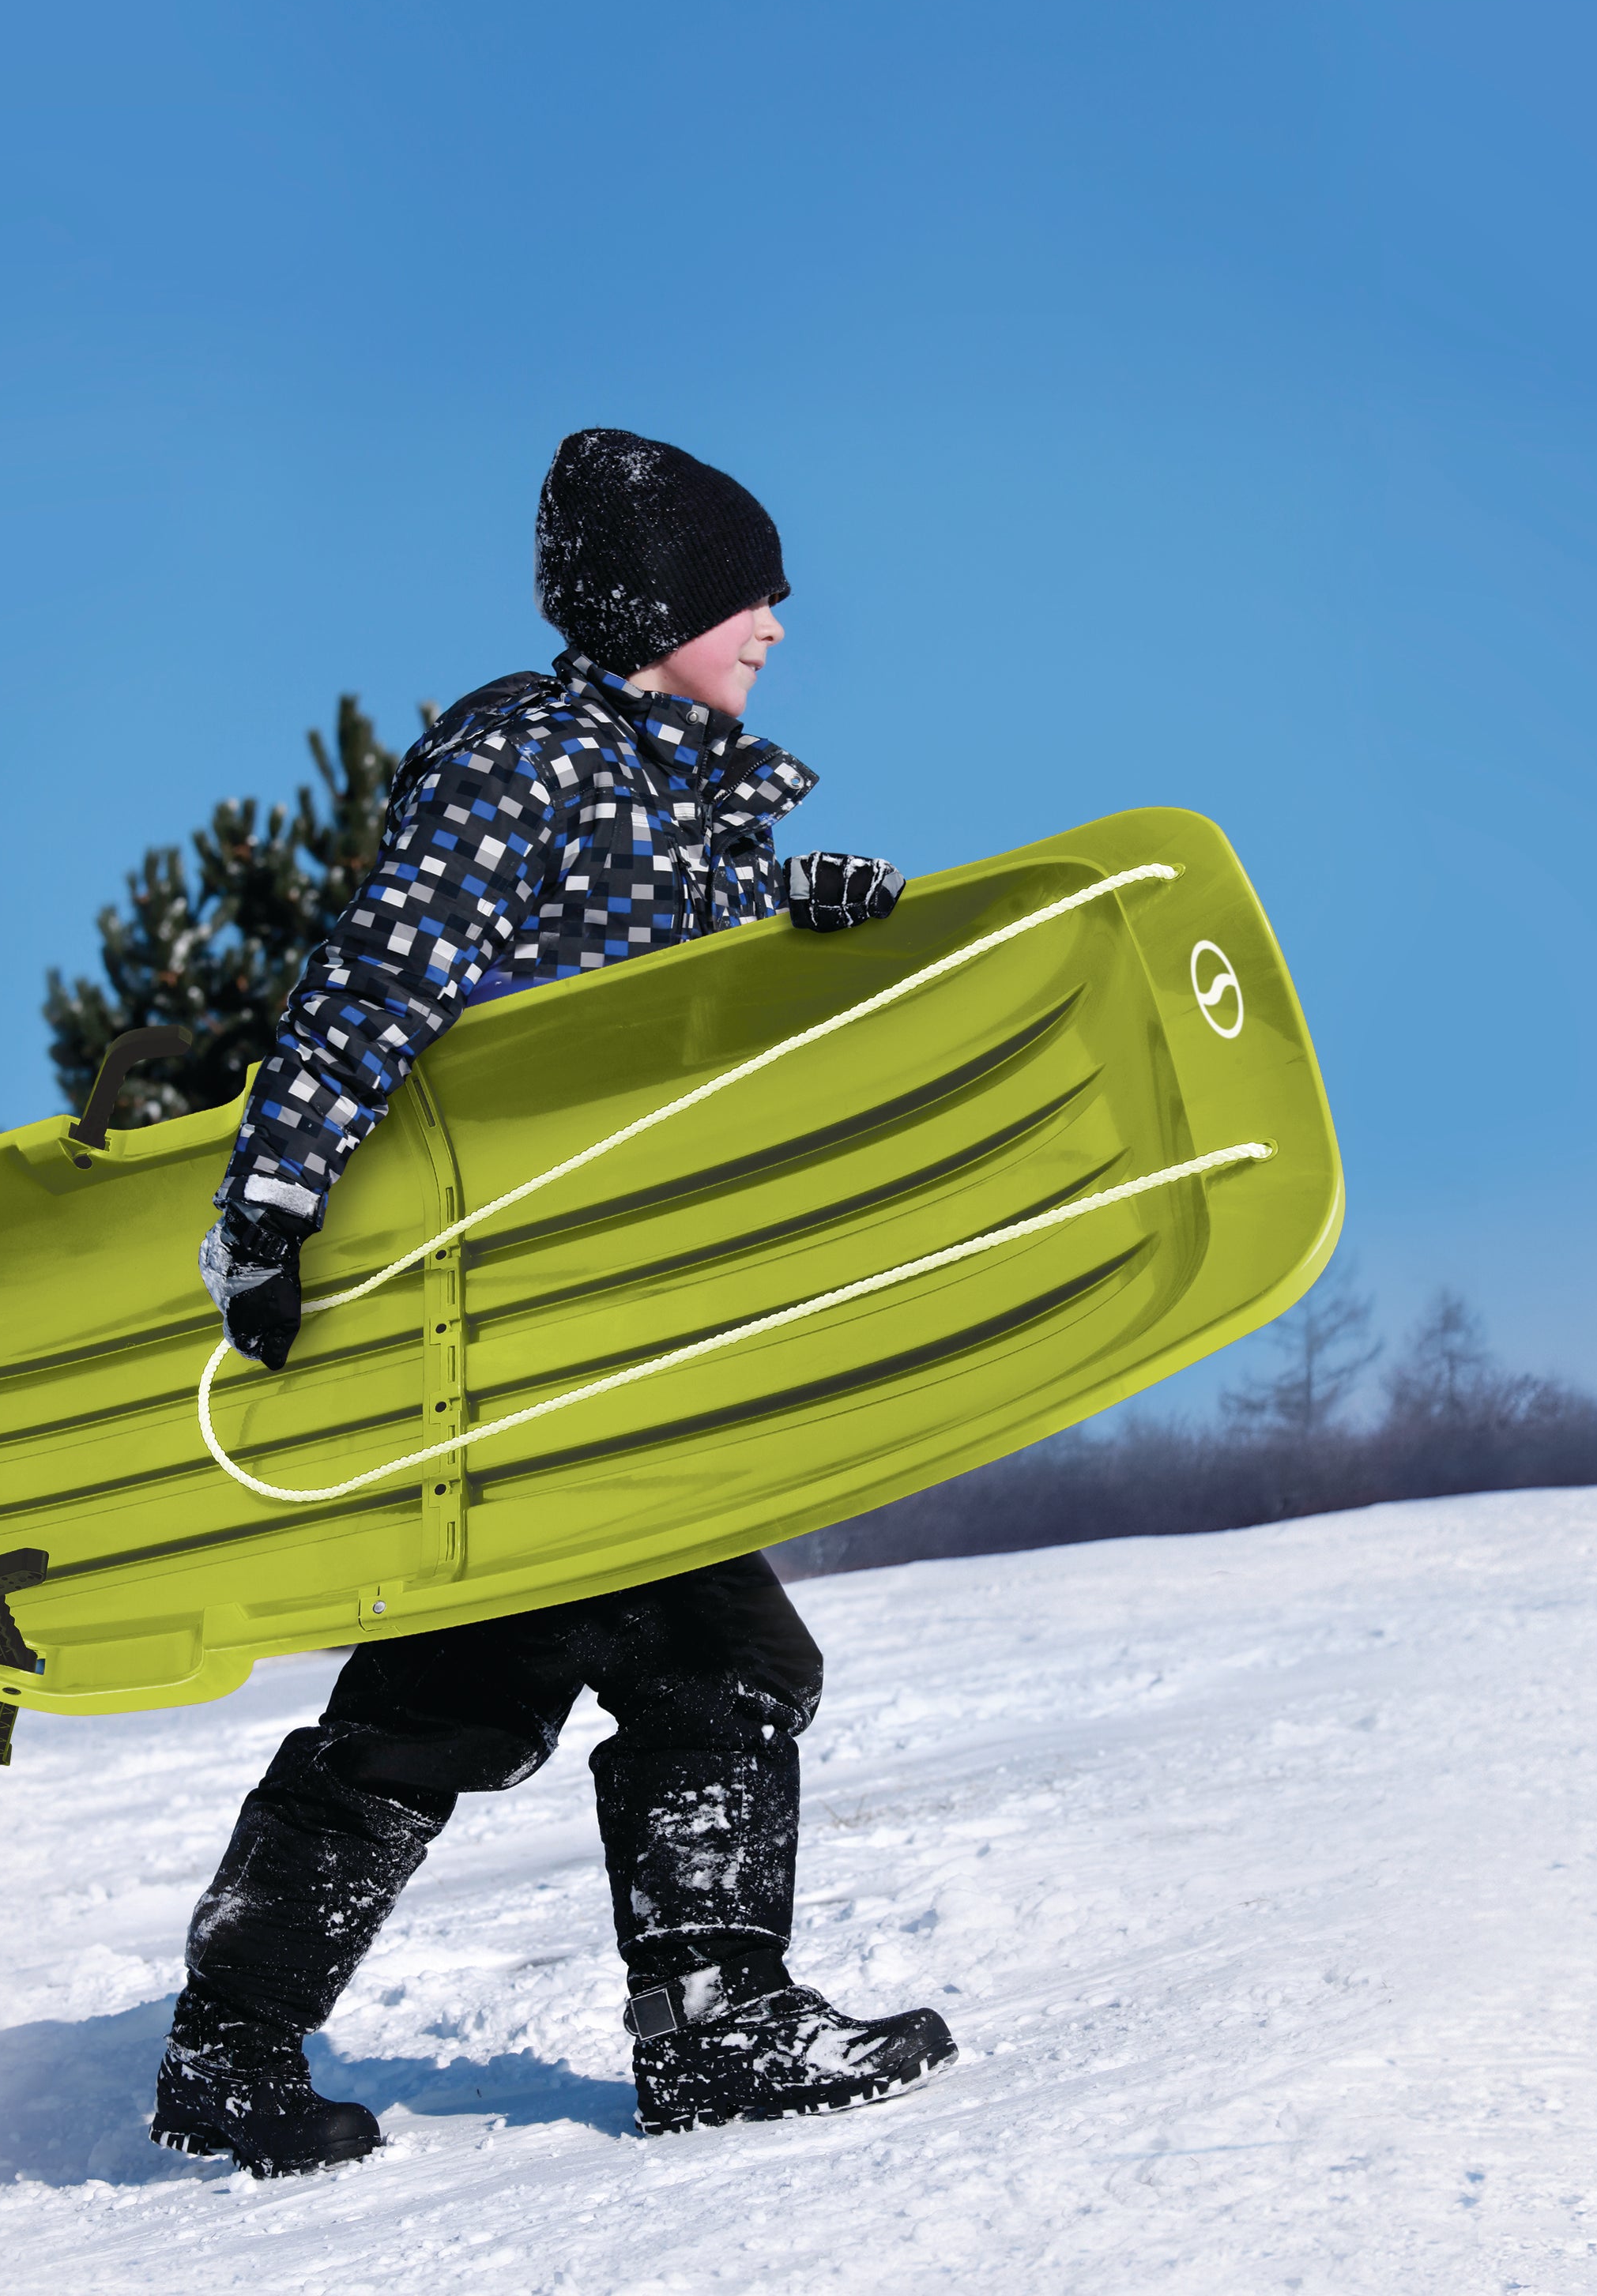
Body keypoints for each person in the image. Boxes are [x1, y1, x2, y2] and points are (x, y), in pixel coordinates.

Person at [153, 429, 957, 2177]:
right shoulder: (533, 757)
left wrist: (793, 913)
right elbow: (386, 967)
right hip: (533, 1333)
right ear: (659, 602)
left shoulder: (682, 804)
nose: (776, 629)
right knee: (723, 1659)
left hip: (595, 1338)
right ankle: (714, 2027)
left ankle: (231, 2042)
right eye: (750, 596)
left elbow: (676, 999)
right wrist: (276, 1198)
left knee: (451, 1695)